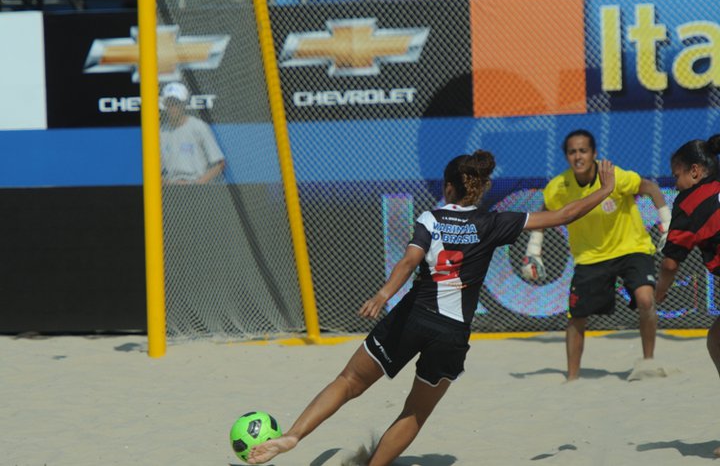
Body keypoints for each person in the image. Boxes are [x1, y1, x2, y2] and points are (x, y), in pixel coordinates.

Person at [247, 150, 616, 466]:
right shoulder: (492, 222)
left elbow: (409, 261)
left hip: (413, 317)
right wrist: (604, 190)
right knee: (415, 411)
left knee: (348, 382)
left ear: (449, 188)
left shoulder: (432, 218)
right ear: (480, 188)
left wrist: (383, 294)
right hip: (451, 335)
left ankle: (292, 436)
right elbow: (564, 215)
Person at [520, 129, 670, 381]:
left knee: (645, 299)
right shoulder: (559, 186)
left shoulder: (613, 175)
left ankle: (648, 362)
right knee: (576, 316)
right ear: (566, 156)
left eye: (583, 151)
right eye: (572, 152)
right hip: (590, 257)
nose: (578, 156)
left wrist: (667, 223)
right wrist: (533, 251)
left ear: (594, 153)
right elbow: (544, 211)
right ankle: (572, 379)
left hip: (631, 247)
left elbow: (651, 188)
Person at [656, 136, 720, 382]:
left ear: (694, 171)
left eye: (676, 176)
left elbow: (670, 263)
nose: (675, 185)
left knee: (715, 339)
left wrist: (660, 291)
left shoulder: (688, 203)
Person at [160, 81, 225, 184]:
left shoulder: (199, 127)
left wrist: (198, 183)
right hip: (171, 187)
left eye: (176, 103)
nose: (173, 107)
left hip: (197, 185)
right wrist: (168, 183)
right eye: (170, 103)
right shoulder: (161, 132)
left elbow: (220, 163)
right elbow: (152, 169)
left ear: (184, 104)